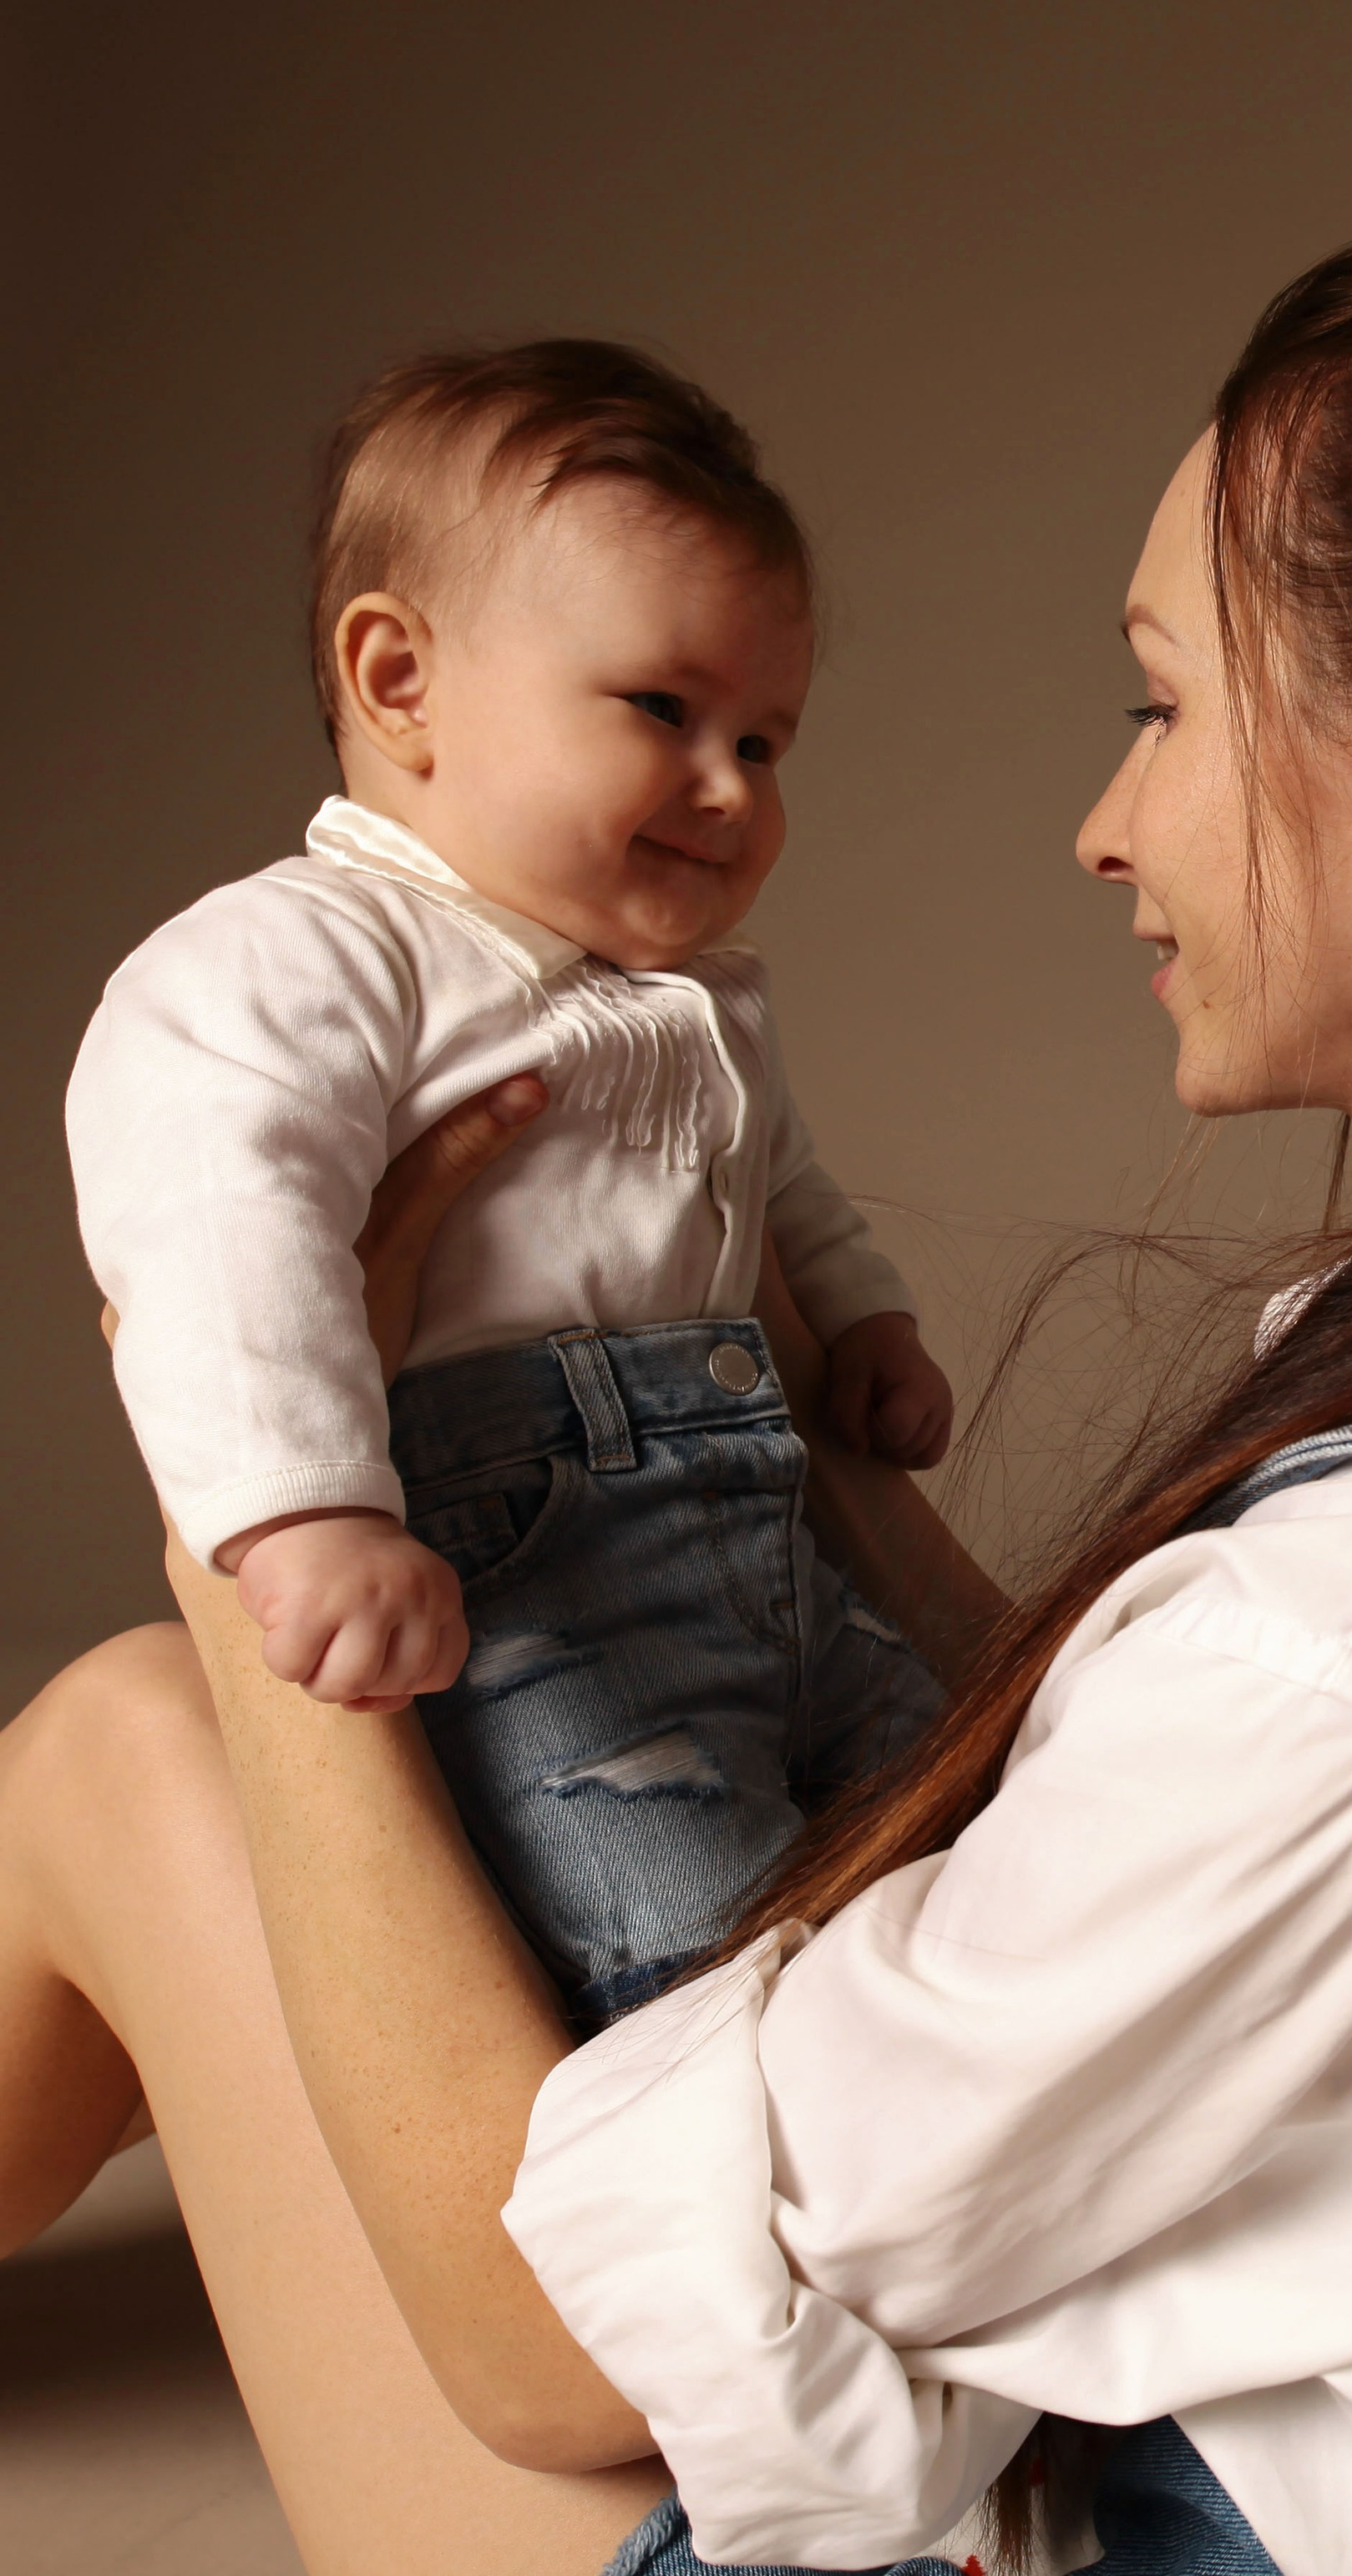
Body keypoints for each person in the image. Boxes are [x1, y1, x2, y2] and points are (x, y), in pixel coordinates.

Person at [0, 214, 1352, 2575]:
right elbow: (1136, 1806)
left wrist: (254, 1516)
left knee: (125, 1742)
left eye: (1161, 702)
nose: (1111, 823)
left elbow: (542, 2347)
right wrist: (802, 1429)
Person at [65, 342, 957, 2021]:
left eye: (766, 742)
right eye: (662, 710)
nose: (731, 789)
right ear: (398, 682)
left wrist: (864, 1326)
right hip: (530, 1576)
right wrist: (308, 1516)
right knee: (706, 1964)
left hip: (769, 1534)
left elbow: (787, 1187)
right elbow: (215, 1230)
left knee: (962, 1843)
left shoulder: (689, 1000)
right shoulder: (310, 958)